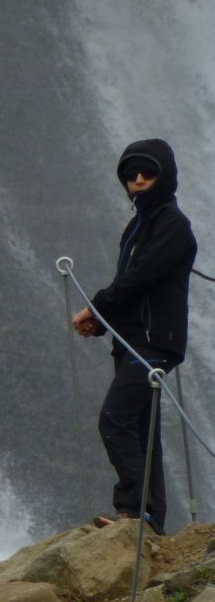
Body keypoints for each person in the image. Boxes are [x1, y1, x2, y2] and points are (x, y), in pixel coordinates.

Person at [71, 138, 196, 536]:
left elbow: (141, 276)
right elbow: (132, 287)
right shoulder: (138, 225)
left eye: (148, 171)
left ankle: (132, 509)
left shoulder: (172, 224)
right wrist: (102, 323)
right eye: (130, 173)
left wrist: (96, 308)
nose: (138, 178)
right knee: (142, 430)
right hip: (132, 342)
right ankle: (149, 521)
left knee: (115, 417)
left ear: (165, 175)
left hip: (155, 341)